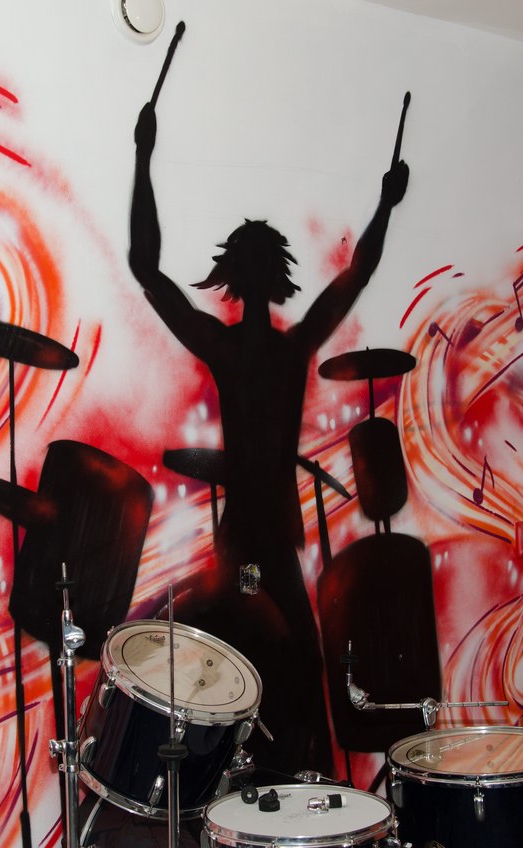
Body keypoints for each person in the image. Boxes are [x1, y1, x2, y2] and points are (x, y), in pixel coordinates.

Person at [128, 98, 408, 777]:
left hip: (247, 538)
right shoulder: (292, 348)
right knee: (293, 668)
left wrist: (143, 157)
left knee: (242, 670)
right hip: (273, 538)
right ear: (275, 277)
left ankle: (249, 790)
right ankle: (297, 789)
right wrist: (386, 204)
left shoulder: (226, 349)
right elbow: (358, 273)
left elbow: (146, 269)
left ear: (233, 275)